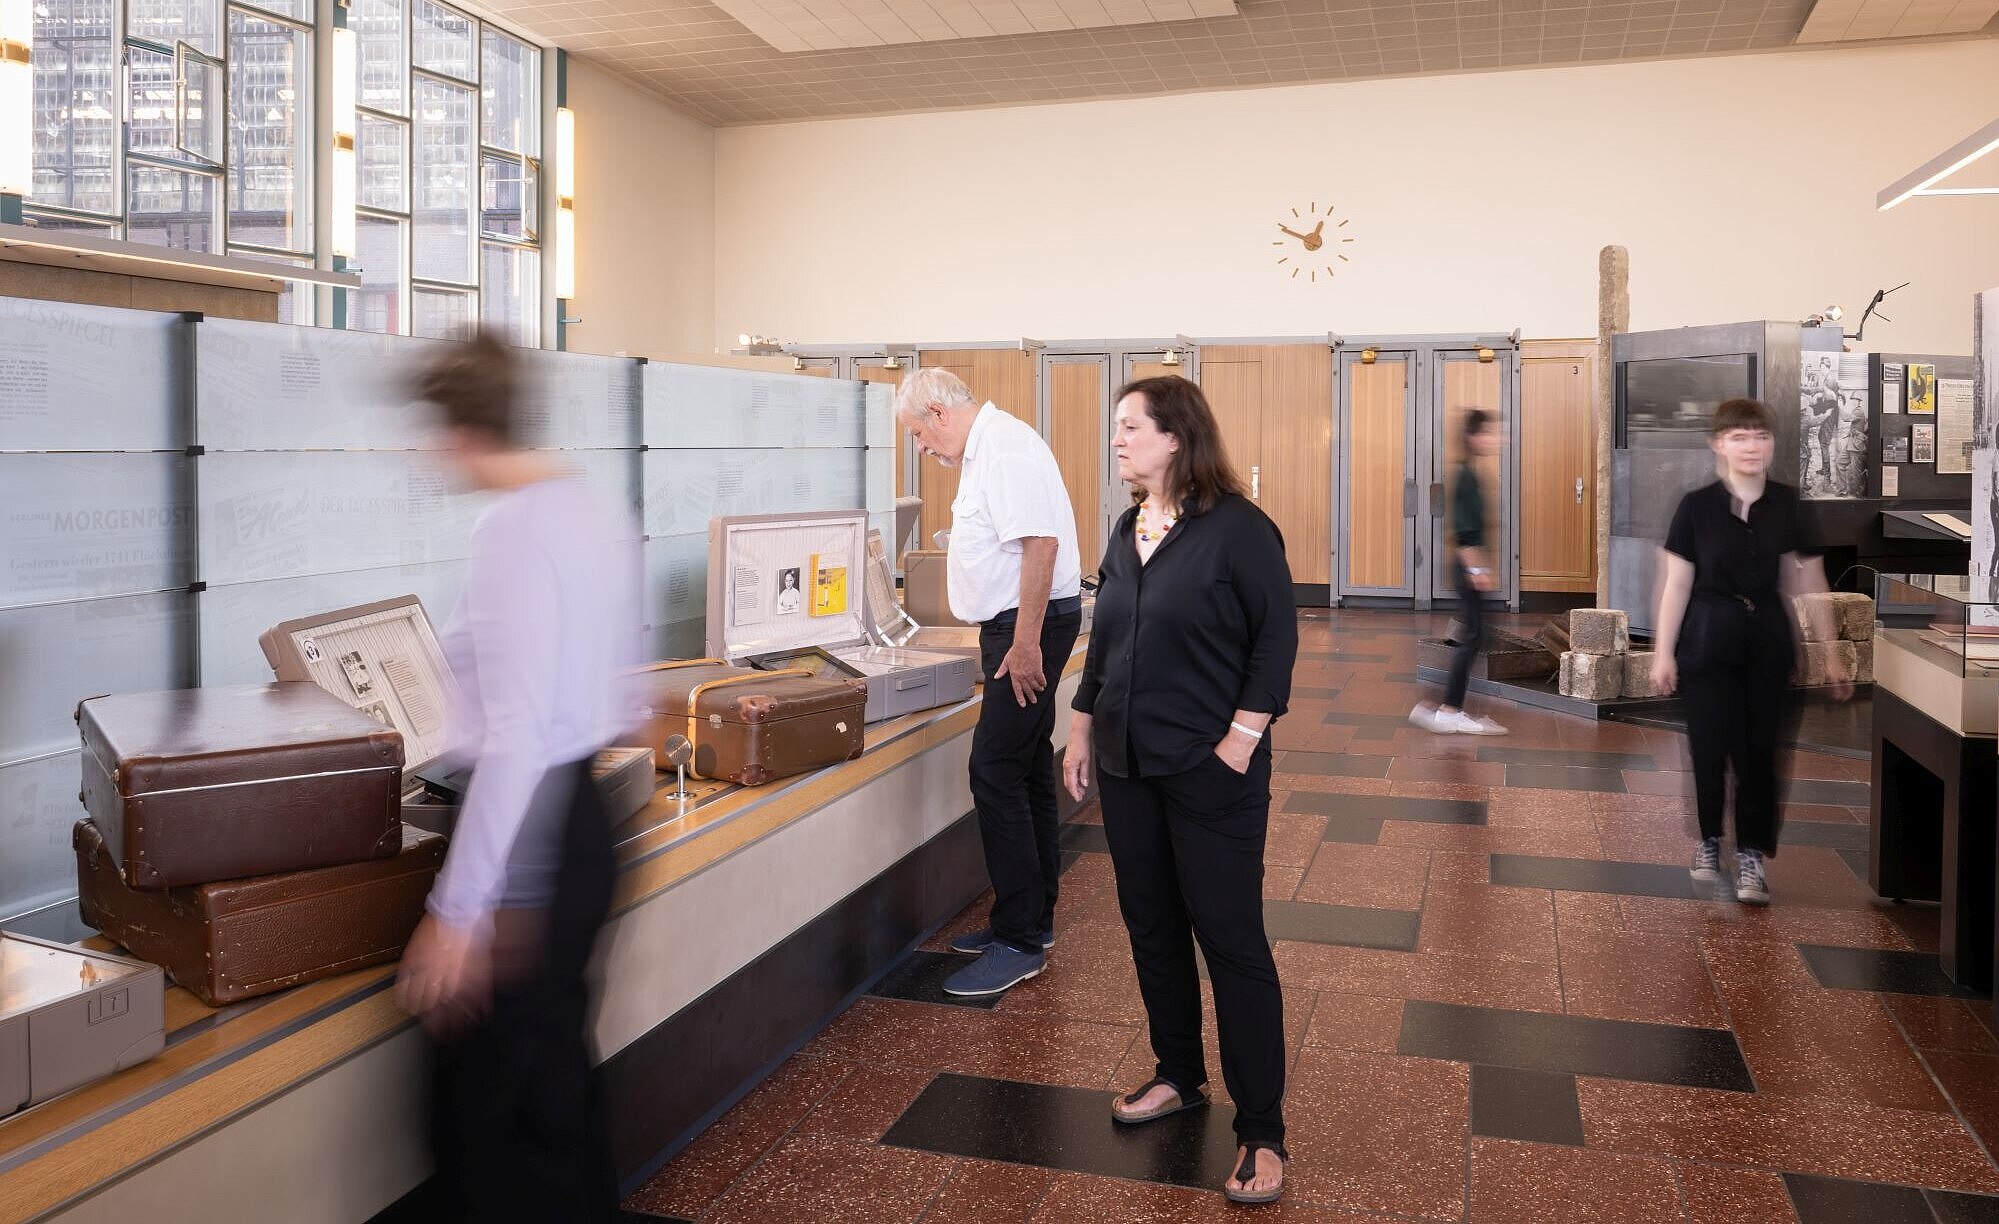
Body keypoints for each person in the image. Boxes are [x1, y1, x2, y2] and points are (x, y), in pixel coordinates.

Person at [396, 329, 640, 1222]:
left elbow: (517, 738)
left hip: (528, 838)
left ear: (460, 429)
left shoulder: (511, 527)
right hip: (583, 820)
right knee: (550, 1094)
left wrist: (465, 912)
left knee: (486, 1116)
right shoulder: (588, 508)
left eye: (428, 429)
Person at [1063, 375, 1296, 1205]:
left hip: (1209, 770)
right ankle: (1179, 1075)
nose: (1118, 439)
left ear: (1176, 436)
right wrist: (1083, 726)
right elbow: (1106, 640)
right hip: (1129, 766)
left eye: (1131, 427)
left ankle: (1260, 1132)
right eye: (1118, 427)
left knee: (1230, 942)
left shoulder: (1239, 531)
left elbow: (1274, 643)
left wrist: (1239, 740)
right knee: (1152, 926)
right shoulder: (1129, 528)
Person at [896, 368, 1083, 998]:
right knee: (1026, 764)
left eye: (921, 434)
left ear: (939, 413)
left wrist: (1025, 643)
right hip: (1015, 625)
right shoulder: (988, 450)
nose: (923, 447)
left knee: (994, 768)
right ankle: (1033, 920)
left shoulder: (1004, 448)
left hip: (1025, 628)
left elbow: (1041, 547)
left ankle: (1018, 941)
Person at [1649, 397, 1849, 907]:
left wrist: (1830, 652)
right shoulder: (1696, 507)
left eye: (1760, 436)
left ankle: (1753, 855)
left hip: (1768, 644)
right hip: (1707, 640)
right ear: (1719, 444)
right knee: (1710, 746)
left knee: (1761, 753)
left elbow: (1808, 579)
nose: (1751, 446)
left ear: (1772, 444)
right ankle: (1710, 840)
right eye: (1739, 436)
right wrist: (1662, 653)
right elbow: (1676, 584)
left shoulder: (1787, 503)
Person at [1410, 408, 1508, 736]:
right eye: (1491, 432)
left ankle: (1445, 707)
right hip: (1467, 566)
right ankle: (1448, 709)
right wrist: (1478, 568)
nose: (1497, 439)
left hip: (1469, 565)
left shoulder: (1471, 472)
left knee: (1476, 636)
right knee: (1474, 637)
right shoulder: (1465, 475)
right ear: (1473, 437)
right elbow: (1465, 531)